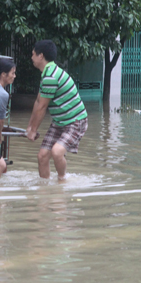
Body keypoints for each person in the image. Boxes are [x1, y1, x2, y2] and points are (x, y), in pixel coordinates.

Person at [26, 40, 88, 182]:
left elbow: (42, 107)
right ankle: (45, 189)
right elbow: (37, 102)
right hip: (60, 122)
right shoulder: (47, 73)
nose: (31, 58)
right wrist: (30, 127)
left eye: (33, 54)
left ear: (40, 56)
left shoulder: (51, 76)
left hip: (76, 121)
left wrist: (34, 130)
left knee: (57, 152)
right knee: (42, 156)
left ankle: (62, 183)